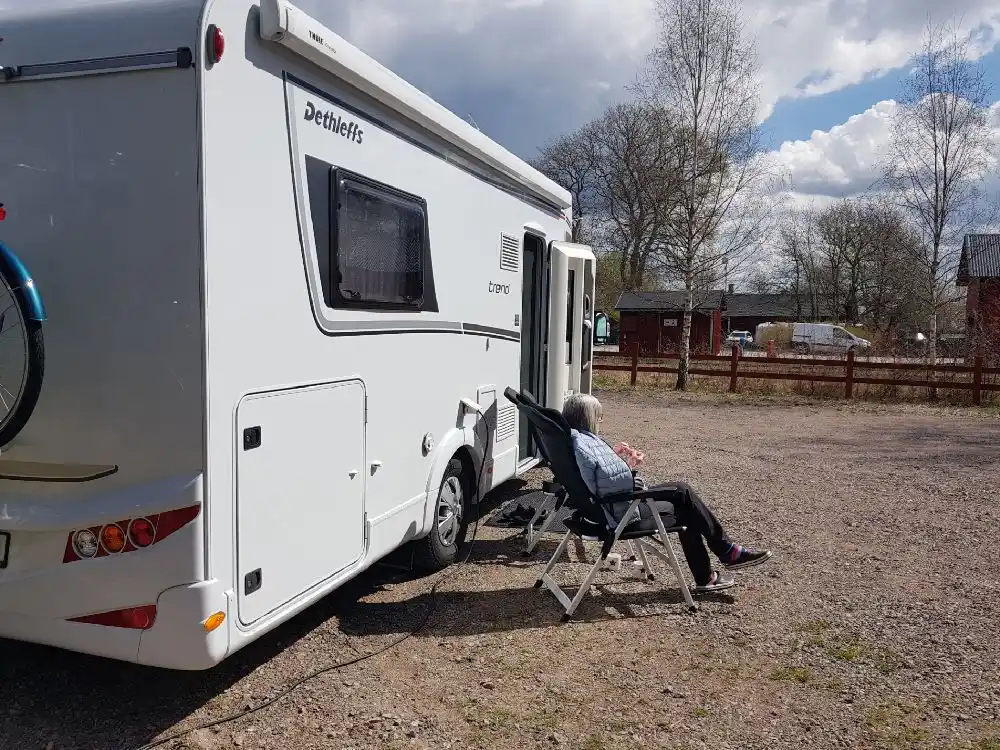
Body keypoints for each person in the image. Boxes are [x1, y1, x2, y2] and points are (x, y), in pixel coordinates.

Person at [561, 393, 772, 593]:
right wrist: (631, 468)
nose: (601, 421)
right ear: (587, 418)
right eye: (599, 416)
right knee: (682, 492)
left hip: (605, 507)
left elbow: (596, 480)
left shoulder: (576, 442)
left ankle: (711, 570)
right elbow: (620, 487)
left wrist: (616, 459)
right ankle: (725, 554)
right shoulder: (586, 445)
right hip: (620, 513)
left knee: (685, 503)